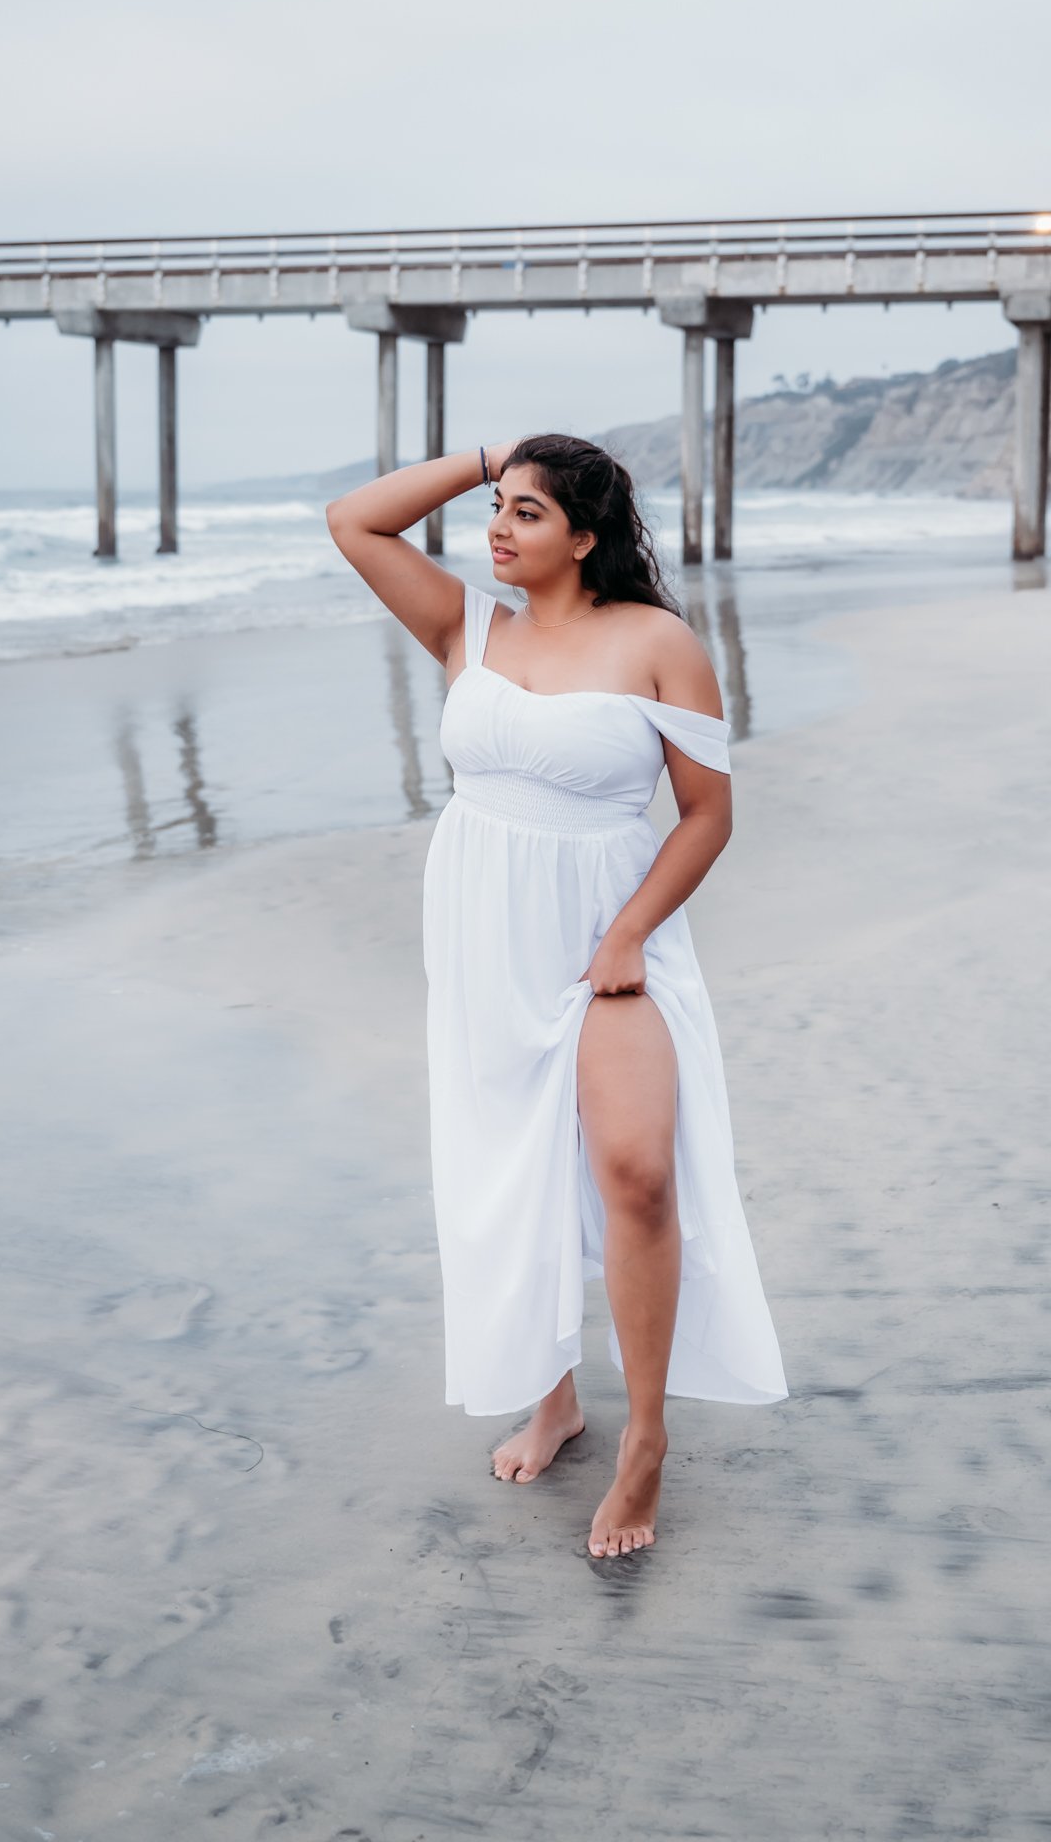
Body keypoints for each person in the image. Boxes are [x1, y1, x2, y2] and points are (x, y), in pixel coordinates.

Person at [326, 433, 787, 1559]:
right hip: (486, 938)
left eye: (527, 511)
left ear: (584, 538)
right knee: (516, 1168)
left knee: (634, 1172)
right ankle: (554, 1392)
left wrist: (631, 930)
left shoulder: (659, 643)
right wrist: (486, 453)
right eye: (497, 507)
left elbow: (708, 814)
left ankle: (647, 1442)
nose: (497, 527)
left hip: (605, 940)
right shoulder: (466, 626)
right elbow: (355, 521)